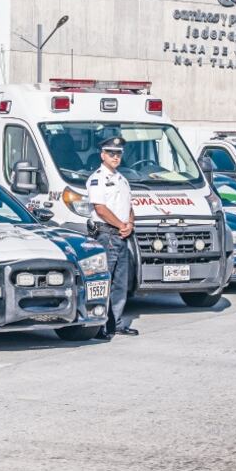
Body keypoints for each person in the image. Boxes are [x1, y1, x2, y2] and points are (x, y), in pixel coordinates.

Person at [86, 137, 138, 339]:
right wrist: (121, 225)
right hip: (107, 234)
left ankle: (115, 323)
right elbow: (100, 208)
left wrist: (130, 224)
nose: (115, 157)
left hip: (122, 234)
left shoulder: (121, 179)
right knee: (103, 282)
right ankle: (99, 325)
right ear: (102, 155)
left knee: (120, 283)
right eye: (111, 153)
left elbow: (129, 206)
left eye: (118, 154)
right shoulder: (98, 178)